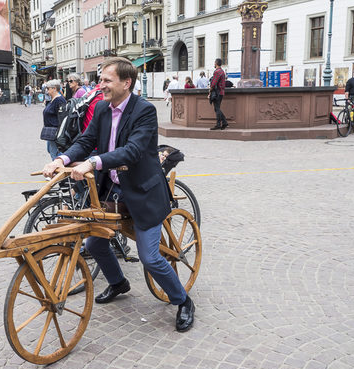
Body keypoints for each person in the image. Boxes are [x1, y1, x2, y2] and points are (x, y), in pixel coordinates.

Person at [42, 57, 195, 332]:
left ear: (127, 83)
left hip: (142, 193)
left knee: (150, 258)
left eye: (106, 80)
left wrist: (93, 162)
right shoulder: (101, 109)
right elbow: (86, 141)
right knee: (94, 244)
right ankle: (118, 282)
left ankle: (183, 300)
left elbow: (133, 151)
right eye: (100, 80)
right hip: (111, 191)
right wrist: (62, 160)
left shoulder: (145, 110)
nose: (100, 85)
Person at [42, 79, 67, 160]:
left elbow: (63, 117)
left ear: (54, 88)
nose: (47, 90)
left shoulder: (59, 100)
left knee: (55, 153)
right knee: (50, 150)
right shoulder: (52, 99)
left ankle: (57, 169)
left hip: (55, 131)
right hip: (50, 130)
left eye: (48, 88)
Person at [208, 58, 228, 130]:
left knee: (217, 108)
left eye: (214, 63)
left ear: (216, 63)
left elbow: (214, 83)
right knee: (217, 108)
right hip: (221, 92)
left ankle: (222, 123)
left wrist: (210, 90)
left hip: (217, 92)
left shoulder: (217, 72)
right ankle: (221, 123)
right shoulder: (222, 71)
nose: (214, 64)